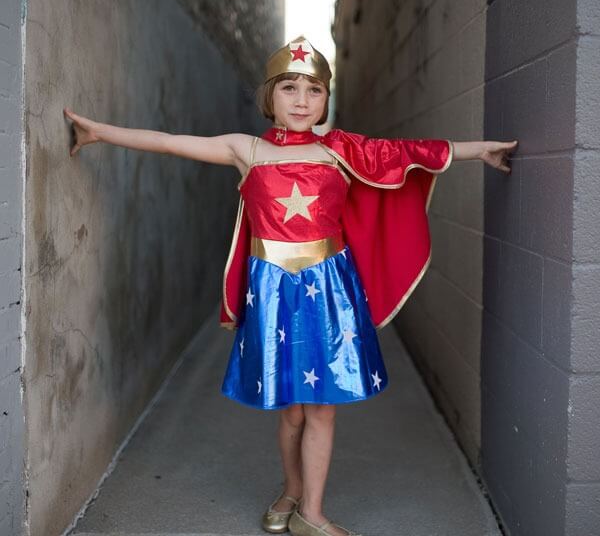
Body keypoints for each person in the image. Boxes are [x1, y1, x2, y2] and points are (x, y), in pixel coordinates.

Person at [64, 35, 517, 536]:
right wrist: (99, 132)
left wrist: (481, 150)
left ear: (325, 99)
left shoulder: (340, 149)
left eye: (314, 90)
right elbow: (172, 142)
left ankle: (312, 514)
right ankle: (290, 489)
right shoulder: (247, 149)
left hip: (328, 291)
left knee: (321, 409)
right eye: (290, 88)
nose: (302, 100)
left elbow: (410, 152)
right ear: (269, 96)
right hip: (273, 292)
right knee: (292, 413)